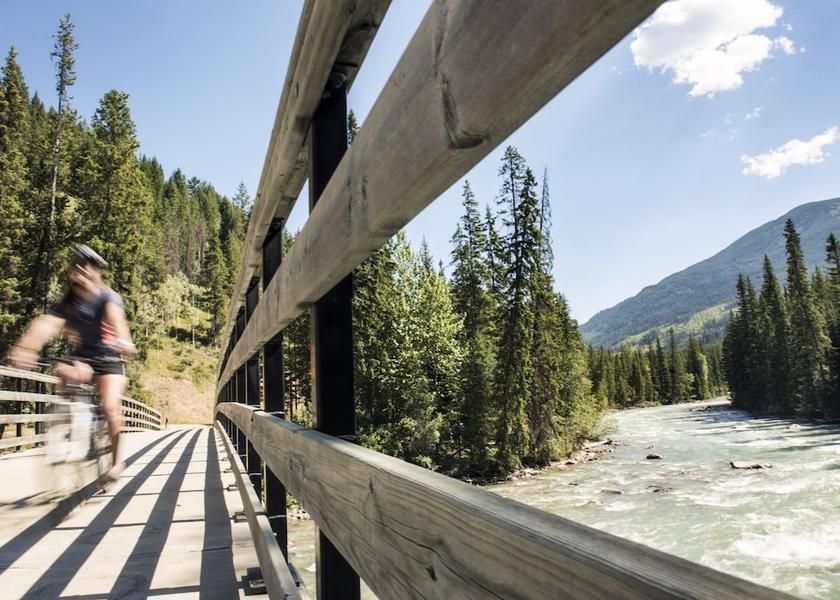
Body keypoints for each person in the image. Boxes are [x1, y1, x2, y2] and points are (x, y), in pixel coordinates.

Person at [9, 244, 136, 478]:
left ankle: (116, 463)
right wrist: (27, 347)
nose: (80, 272)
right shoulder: (71, 299)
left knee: (109, 406)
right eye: (77, 267)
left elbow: (117, 323)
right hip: (83, 357)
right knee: (64, 375)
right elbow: (49, 322)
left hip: (109, 357)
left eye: (85, 267)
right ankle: (66, 435)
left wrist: (124, 342)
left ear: (95, 272)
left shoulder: (108, 297)